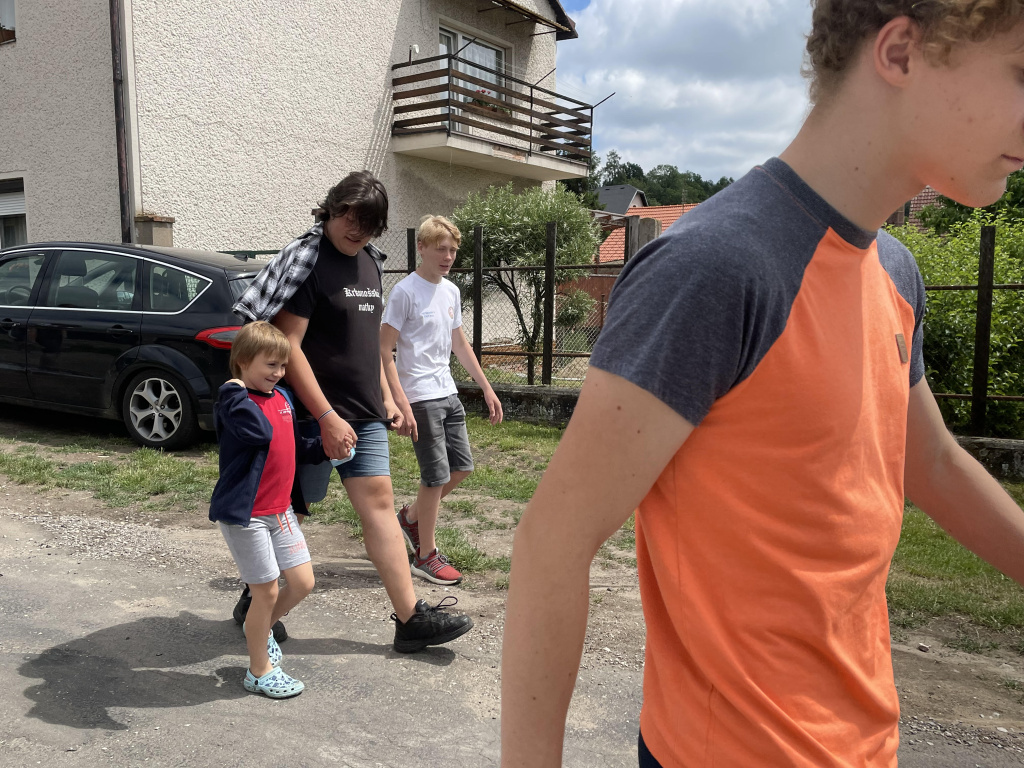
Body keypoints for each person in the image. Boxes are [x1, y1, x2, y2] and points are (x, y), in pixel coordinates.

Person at [500, 2, 1024, 766]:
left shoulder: (895, 270)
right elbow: (553, 543)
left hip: (863, 745)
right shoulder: (715, 268)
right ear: (901, 53)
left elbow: (933, 464)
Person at [234, 171, 474, 653]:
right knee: (288, 512)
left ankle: (410, 619)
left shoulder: (369, 262)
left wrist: (387, 397)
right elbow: (289, 347)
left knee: (380, 506)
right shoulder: (309, 261)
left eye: (368, 223)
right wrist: (326, 417)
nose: (356, 229)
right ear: (332, 209)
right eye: (349, 217)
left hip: (362, 412)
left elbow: (368, 344)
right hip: (307, 416)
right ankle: (254, 601)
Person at [380, 215, 503, 586]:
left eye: (452, 250)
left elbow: (459, 343)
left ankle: (410, 518)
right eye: (440, 249)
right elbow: (384, 350)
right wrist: (400, 402)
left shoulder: (450, 291)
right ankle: (425, 555)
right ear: (422, 248)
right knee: (434, 478)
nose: (448, 256)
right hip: (420, 397)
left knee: (461, 468)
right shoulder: (404, 292)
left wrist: (486, 387)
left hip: (448, 393)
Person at [209, 321, 325, 698]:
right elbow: (258, 433)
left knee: (303, 583)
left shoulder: (283, 398)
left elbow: (294, 445)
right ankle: (258, 671)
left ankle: (256, 630)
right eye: (270, 365)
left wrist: (327, 448)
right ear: (243, 362)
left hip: (281, 512)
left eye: (283, 365)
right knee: (267, 592)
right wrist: (233, 390)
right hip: (248, 516)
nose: (278, 373)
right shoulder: (234, 404)